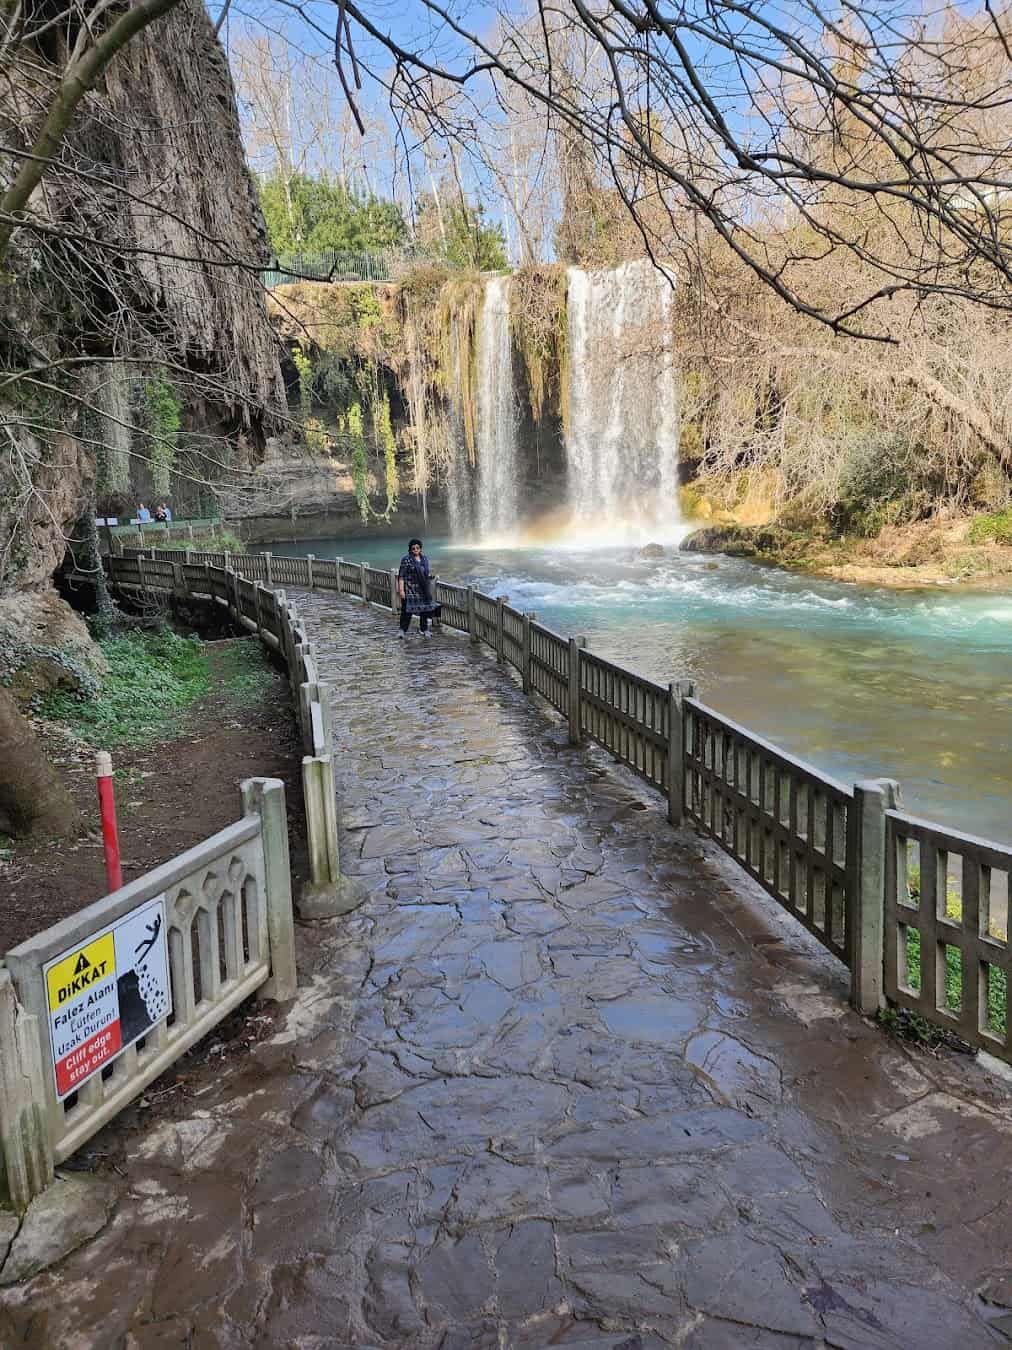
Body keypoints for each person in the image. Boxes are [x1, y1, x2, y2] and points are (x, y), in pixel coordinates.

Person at [397, 538, 438, 639]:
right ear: (410, 549)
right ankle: (402, 630)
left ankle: (424, 629)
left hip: (422, 589)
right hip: (410, 589)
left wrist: (431, 578)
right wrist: (401, 590)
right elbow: (401, 576)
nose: (415, 549)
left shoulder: (424, 559)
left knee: (424, 610)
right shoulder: (406, 559)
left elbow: (425, 573)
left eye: (417, 547)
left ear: (420, 548)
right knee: (406, 611)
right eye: (413, 548)